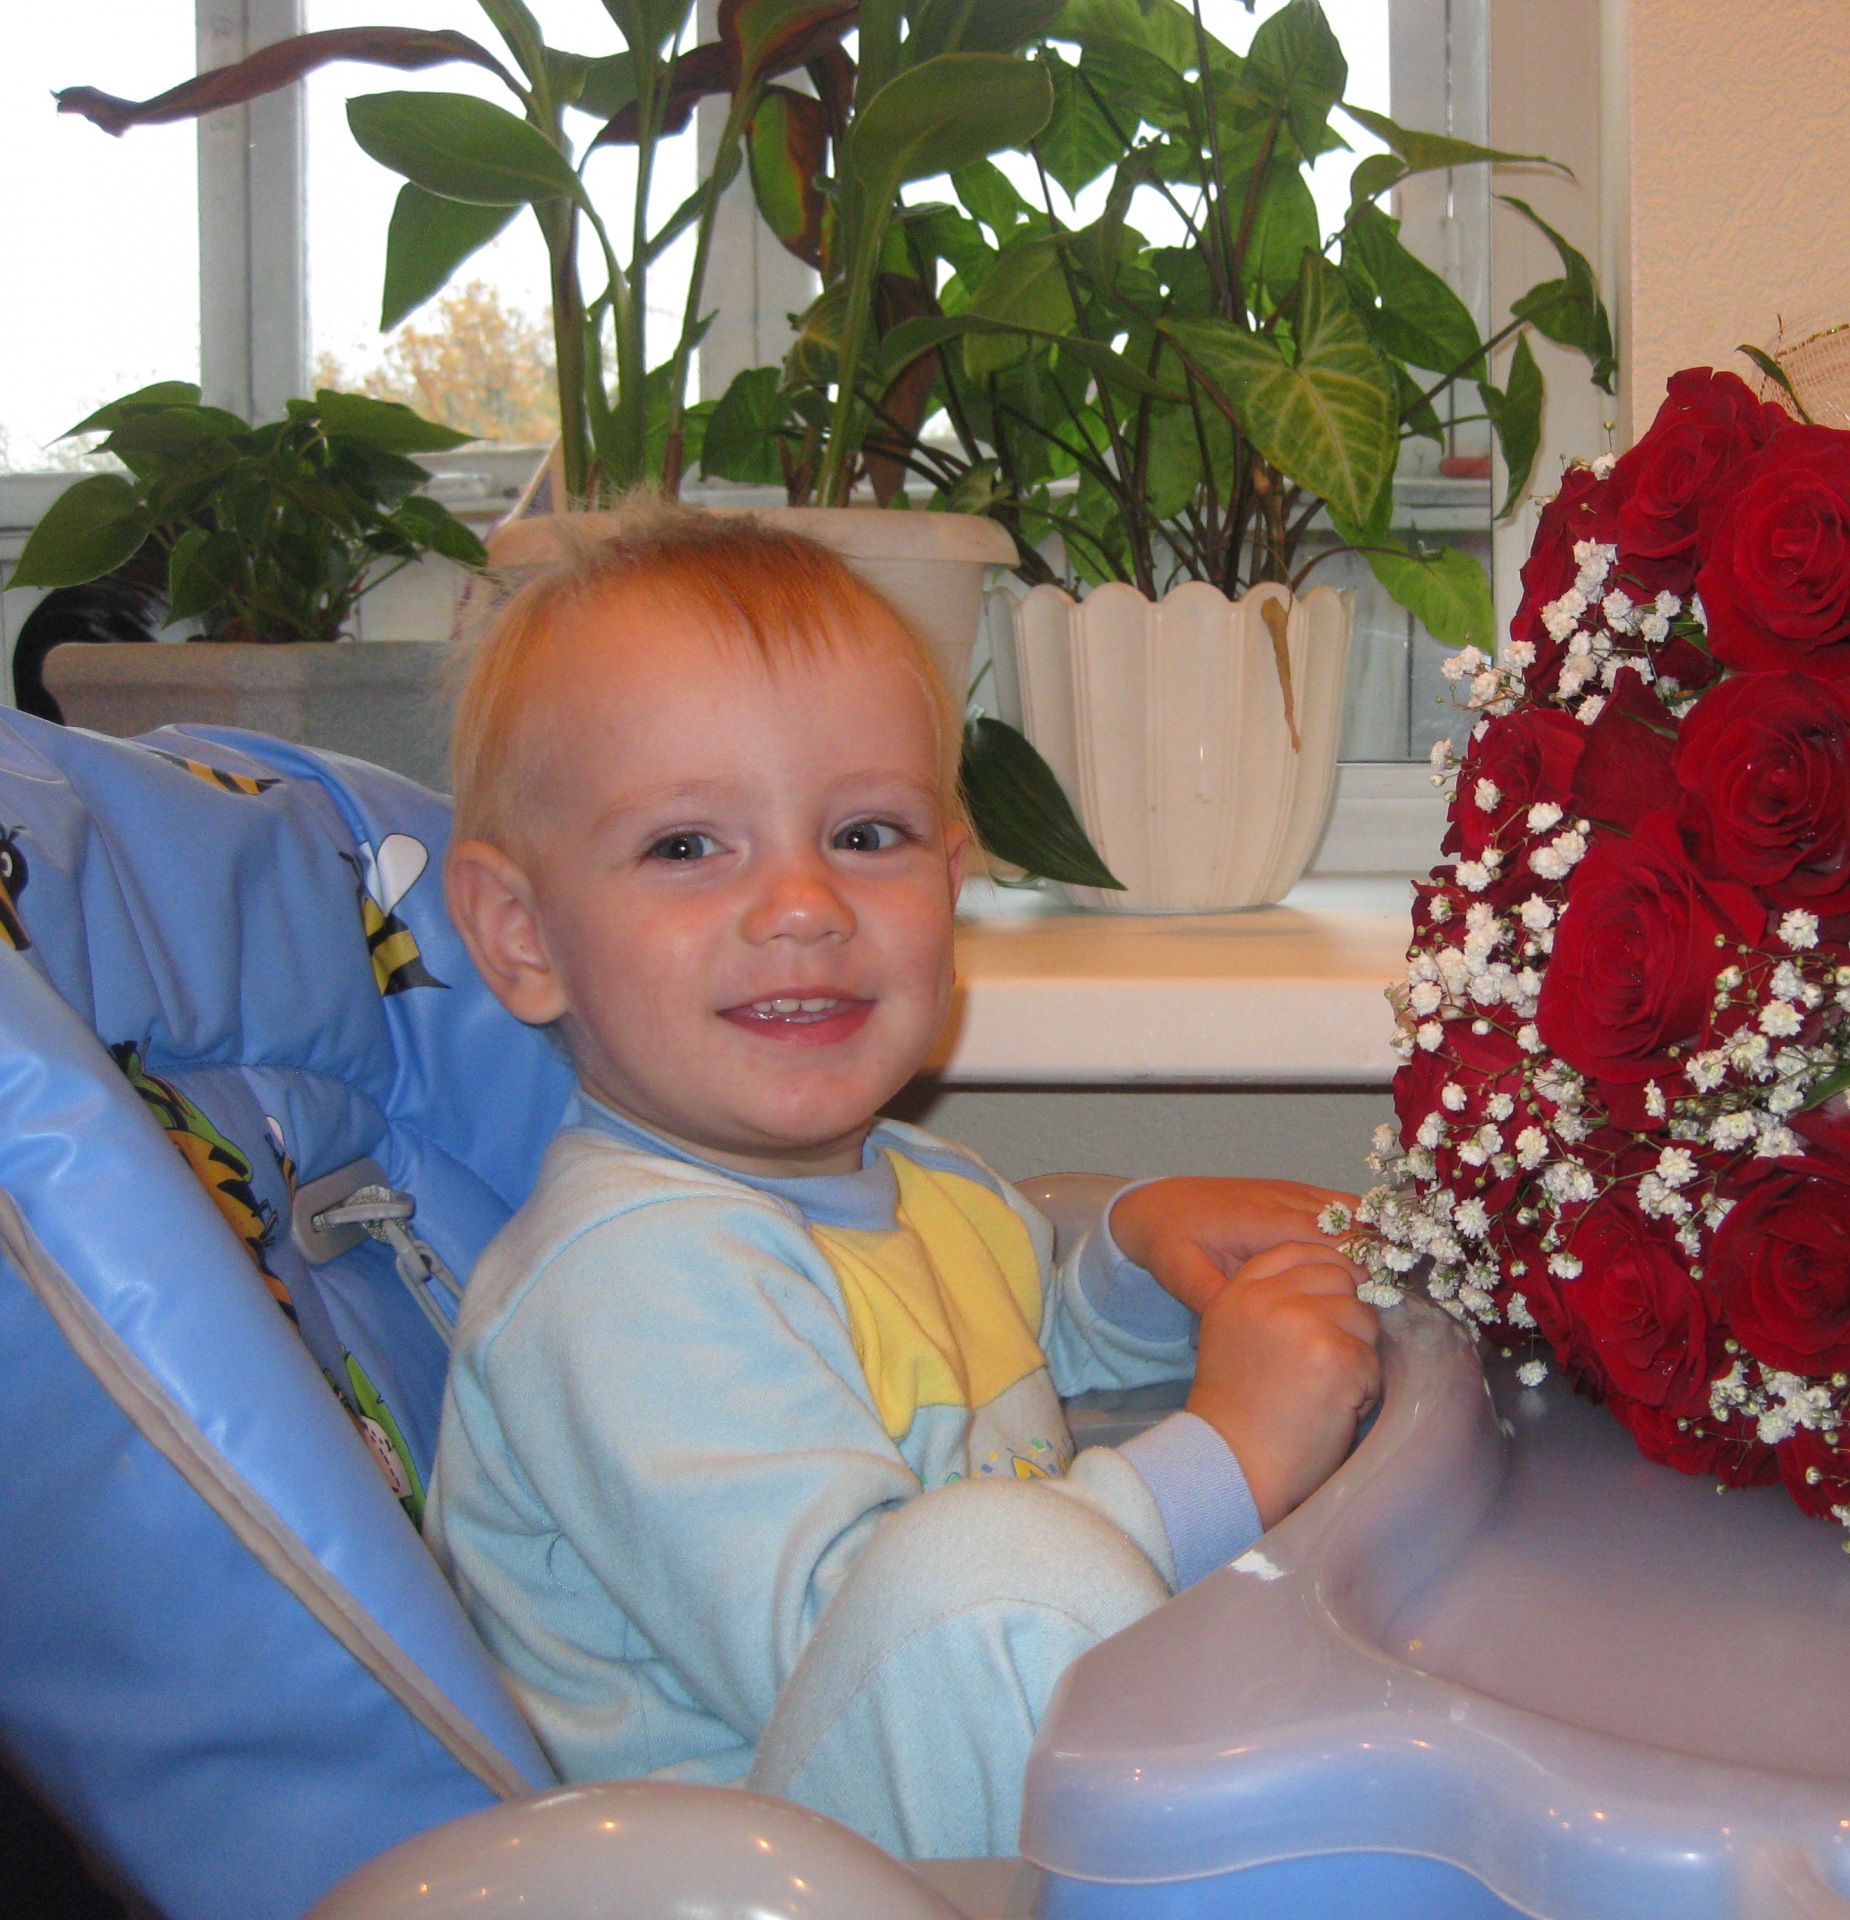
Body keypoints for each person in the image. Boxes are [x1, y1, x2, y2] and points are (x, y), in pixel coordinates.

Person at [424, 504, 1381, 1857]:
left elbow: (1000, 1381)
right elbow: (899, 1642)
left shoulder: (920, 1183)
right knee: (985, 1567)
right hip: (748, 1874)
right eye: (687, 846)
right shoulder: (624, 1286)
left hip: (959, 1821)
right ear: (525, 937)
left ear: (951, 875)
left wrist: (1134, 1270)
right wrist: (1232, 1458)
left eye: (866, 835)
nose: (803, 905)